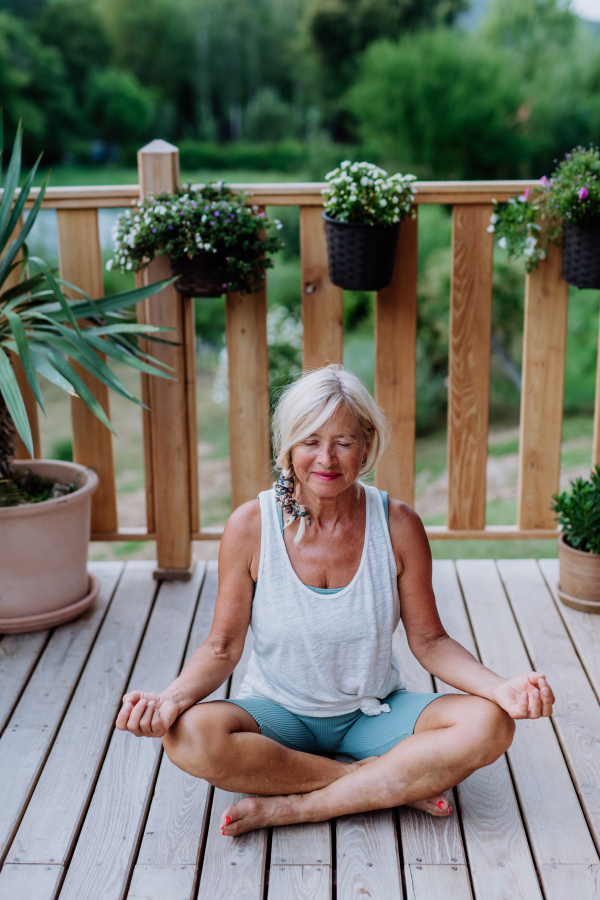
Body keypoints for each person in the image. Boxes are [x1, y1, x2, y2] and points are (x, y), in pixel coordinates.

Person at [116, 365, 555, 837]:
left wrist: (499, 688)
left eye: (343, 441)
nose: (326, 458)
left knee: (491, 724)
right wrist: (168, 700)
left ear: (365, 444)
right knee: (186, 738)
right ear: (288, 445)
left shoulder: (398, 524)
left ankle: (298, 807)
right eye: (310, 440)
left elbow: (430, 640)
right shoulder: (251, 526)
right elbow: (222, 647)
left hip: (374, 712)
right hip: (277, 714)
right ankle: (381, 783)